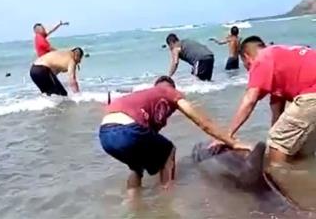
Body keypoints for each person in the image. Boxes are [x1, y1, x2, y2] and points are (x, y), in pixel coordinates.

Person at [99, 76, 249, 200]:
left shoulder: (143, 97)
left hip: (105, 135)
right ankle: (167, 200)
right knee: (169, 150)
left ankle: (132, 205)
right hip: (129, 130)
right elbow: (203, 123)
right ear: (173, 88)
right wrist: (233, 143)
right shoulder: (168, 91)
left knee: (137, 169)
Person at [228, 36, 316, 167]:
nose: (248, 69)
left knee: (277, 145)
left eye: (245, 64)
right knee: (299, 150)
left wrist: (227, 135)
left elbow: (249, 100)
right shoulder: (279, 60)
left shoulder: (261, 59)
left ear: (247, 57)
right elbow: (277, 116)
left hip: (311, 94)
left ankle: (282, 182)